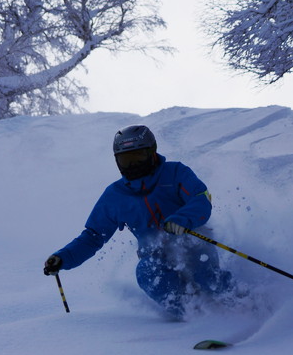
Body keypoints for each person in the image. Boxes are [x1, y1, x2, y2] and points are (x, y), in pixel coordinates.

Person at [43, 125, 232, 319]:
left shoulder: (175, 172)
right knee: (148, 272)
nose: (132, 166)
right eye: (126, 160)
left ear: (152, 151)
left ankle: (239, 304)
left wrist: (182, 220)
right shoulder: (116, 195)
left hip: (193, 242)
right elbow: (93, 236)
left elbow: (201, 197)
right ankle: (192, 319)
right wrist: (64, 258)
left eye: (138, 157)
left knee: (206, 278)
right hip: (157, 256)